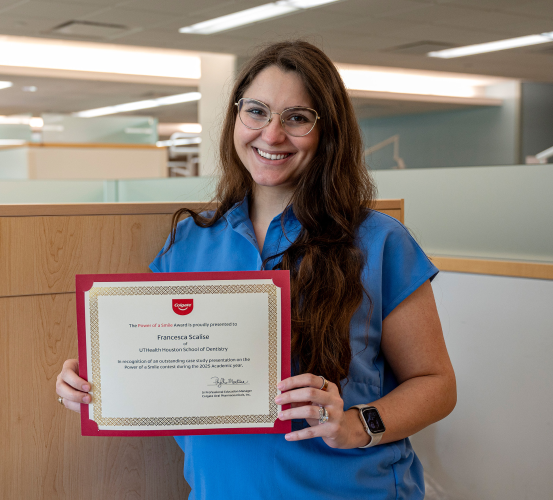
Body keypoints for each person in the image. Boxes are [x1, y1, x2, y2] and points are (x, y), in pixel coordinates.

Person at [56, 40, 456, 499]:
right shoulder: (187, 245)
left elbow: (436, 383)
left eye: (297, 118)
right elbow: (163, 372)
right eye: (258, 112)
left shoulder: (377, 241)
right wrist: (92, 385)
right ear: (236, 118)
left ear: (328, 133)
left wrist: (357, 425)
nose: (272, 134)